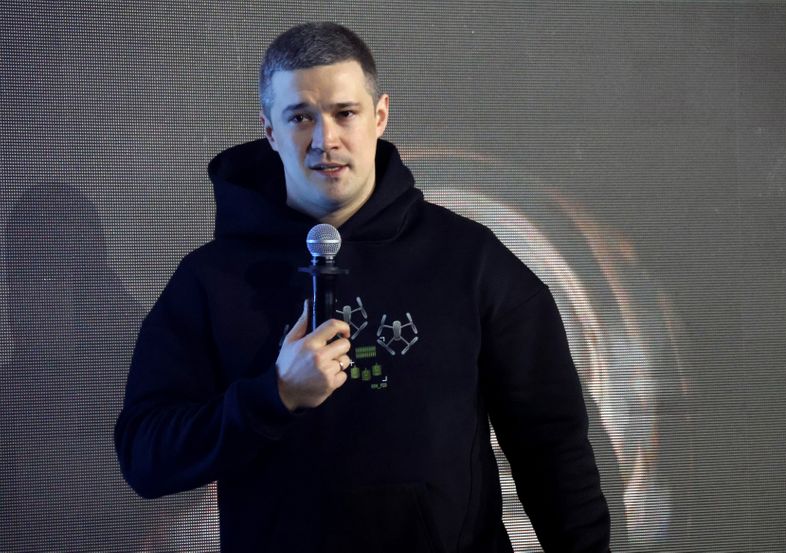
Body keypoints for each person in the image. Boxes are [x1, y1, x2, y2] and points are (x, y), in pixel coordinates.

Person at [114, 22, 610, 552]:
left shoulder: (469, 260)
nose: (325, 140)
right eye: (301, 117)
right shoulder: (211, 280)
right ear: (270, 131)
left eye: (344, 113)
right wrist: (274, 395)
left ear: (379, 116)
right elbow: (146, 456)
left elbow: (551, 446)